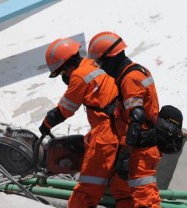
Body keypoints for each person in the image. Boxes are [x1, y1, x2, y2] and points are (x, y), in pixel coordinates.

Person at [39, 37, 131, 207]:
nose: (64, 76)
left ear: (67, 65)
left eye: (62, 72)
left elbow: (64, 110)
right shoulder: (95, 64)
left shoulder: (80, 77)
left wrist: (45, 125)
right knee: (123, 191)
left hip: (104, 137)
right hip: (124, 131)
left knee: (86, 190)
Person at [88, 31, 162, 207]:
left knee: (145, 197)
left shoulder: (130, 78)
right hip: (139, 145)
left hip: (140, 149)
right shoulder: (137, 71)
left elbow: (137, 117)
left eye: (101, 62)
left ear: (110, 58)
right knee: (121, 189)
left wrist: (126, 154)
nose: (102, 68)